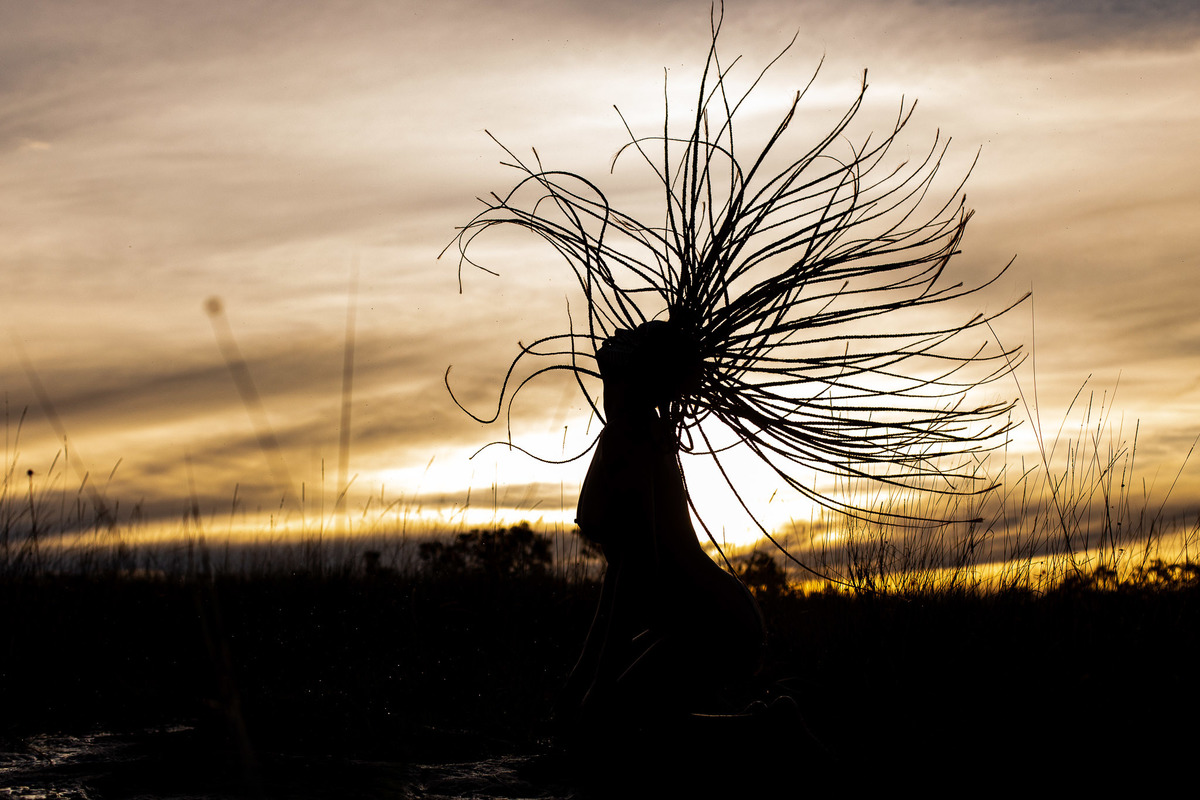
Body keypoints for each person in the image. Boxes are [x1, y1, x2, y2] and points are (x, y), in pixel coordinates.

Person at [561, 321, 767, 730]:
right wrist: (583, 674)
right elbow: (618, 575)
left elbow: (638, 569)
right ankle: (764, 728)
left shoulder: (633, 440)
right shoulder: (633, 435)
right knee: (614, 720)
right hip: (703, 619)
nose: (607, 391)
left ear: (632, 384)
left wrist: (597, 684)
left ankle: (774, 730)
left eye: (613, 380)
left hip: (713, 624)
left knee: (612, 724)